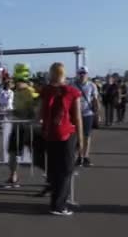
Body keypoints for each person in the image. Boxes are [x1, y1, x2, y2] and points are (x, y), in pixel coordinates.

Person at [40, 62, 83, 216]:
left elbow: (41, 112)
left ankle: (55, 200)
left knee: (53, 168)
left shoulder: (46, 91)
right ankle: (59, 205)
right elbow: (77, 118)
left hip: (49, 133)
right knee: (66, 170)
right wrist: (81, 140)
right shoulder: (72, 92)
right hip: (66, 133)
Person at [5, 64, 39, 188]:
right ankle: (13, 176)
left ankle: (49, 178)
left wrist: (14, 112)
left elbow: (32, 111)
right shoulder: (17, 92)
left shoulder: (30, 92)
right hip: (17, 126)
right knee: (12, 152)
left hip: (29, 127)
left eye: (16, 80)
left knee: (37, 155)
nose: (14, 82)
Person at [73, 66, 100, 167]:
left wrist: (97, 113)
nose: (82, 75)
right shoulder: (73, 85)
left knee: (87, 136)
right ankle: (79, 156)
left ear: (87, 74)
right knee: (76, 136)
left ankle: (86, 156)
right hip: (76, 114)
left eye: (84, 73)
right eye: (80, 73)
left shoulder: (92, 86)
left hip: (88, 113)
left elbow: (95, 100)